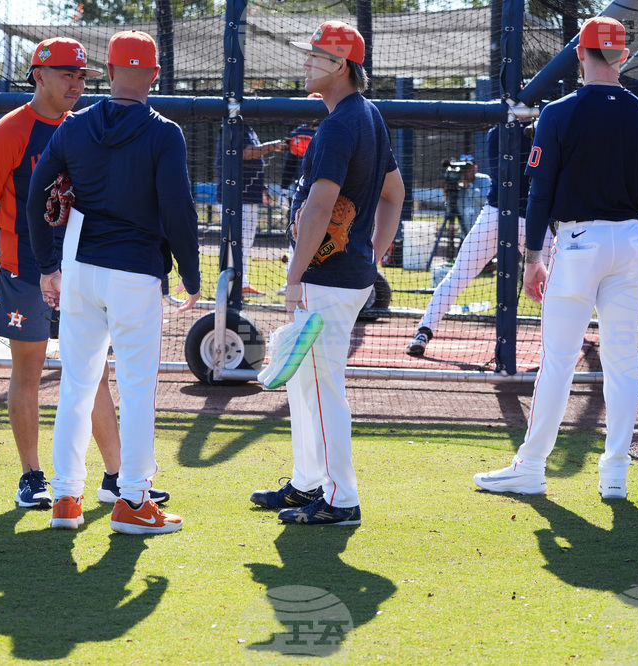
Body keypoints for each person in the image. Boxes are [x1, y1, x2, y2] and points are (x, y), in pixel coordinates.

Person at [473, 16, 638, 499]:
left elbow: (540, 191)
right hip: (630, 243)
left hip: (578, 243)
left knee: (559, 361)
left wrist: (532, 257)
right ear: (622, 57)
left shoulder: (559, 112)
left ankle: (530, 467)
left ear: (580, 55)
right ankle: (614, 475)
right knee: (622, 361)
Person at [26, 30, 201, 533]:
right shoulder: (164, 132)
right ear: (154, 74)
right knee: (139, 387)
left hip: (80, 267)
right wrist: (190, 274)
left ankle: (64, 499)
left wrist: (46, 265)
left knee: (79, 385)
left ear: (106, 71)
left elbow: (37, 192)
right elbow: (176, 209)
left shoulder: (74, 126)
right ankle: (134, 501)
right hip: (134, 272)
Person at [0, 37, 148, 510]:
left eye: (83, 75)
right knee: (28, 370)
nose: (76, 83)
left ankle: (115, 475)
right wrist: (6, 249)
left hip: (81, 267)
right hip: (26, 268)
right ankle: (32, 476)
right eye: (66, 73)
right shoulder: (9, 132)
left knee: (93, 372)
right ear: (39, 76)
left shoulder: (84, 128)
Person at [249, 20, 404, 525]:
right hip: (345, 273)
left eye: (315, 55)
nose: (306, 62)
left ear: (340, 65)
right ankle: (307, 481)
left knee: (322, 388)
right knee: (305, 385)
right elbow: (394, 193)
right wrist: (373, 251)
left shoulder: (340, 123)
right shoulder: (367, 115)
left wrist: (294, 278)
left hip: (326, 279)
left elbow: (319, 206)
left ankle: (342, 499)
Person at [406, 123, 553, 356]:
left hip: (495, 216)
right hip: (529, 217)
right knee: (562, 278)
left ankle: (423, 331)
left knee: (458, 275)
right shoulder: (545, 125)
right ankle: (562, 339)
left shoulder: (498, 130)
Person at [215, 124, 287, 297]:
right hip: (235, 195)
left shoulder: (247, 128)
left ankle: (241, 284)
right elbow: (246, 153)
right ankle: (235, 286)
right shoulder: (233, 126)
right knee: (236, 242)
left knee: (243, 242)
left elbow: (252, 162)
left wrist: (262, 188)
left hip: (247, 195)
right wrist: (274, 145)